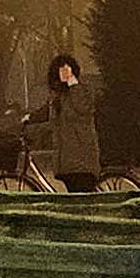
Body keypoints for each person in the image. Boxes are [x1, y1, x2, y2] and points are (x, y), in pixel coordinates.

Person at [27, 54, 103, 192]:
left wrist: (72, 83)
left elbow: (83, 108)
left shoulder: (82, 91)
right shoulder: (58, 97)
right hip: (66, 162)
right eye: (60, 70)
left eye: (66, 69)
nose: (63, 73)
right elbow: (50, 120)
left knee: (81, 196)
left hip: (81, 160)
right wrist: (28, 120)